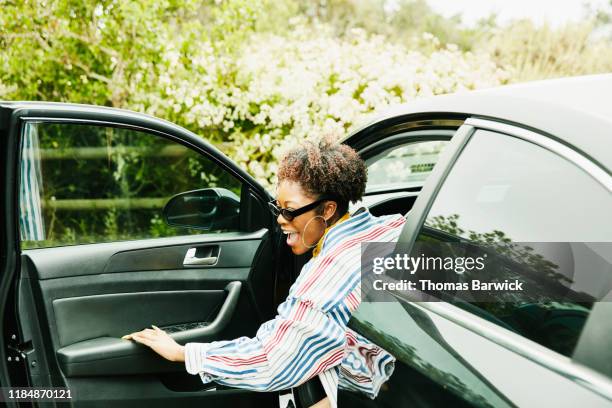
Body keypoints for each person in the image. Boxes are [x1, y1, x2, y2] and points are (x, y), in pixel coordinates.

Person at [123, 138, 406, 407]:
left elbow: (273, 359)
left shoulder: (328, 276)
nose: (281, 220)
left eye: (291, 212)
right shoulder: (392, 228)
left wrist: (184, 353)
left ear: (328, 209)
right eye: (278, 208)